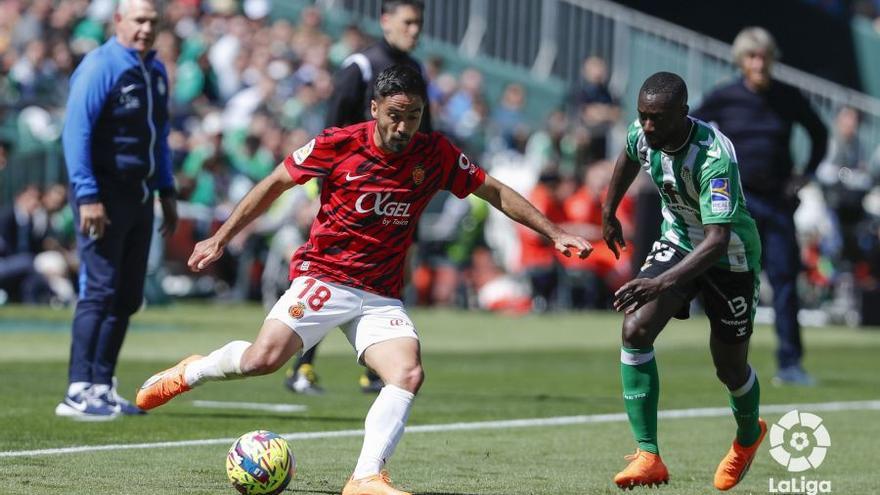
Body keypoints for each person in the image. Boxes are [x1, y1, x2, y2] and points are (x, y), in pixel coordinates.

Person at [135, 64, 591, 495]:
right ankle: (191, 371)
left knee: (408, 372)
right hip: (325, 277)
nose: (404, 127)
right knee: (262, 361)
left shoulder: (436, 154)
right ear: (375, 108)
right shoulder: (338, 143)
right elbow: (276, 182)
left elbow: (492, 189)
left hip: (380, 296)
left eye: (413, 117)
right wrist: (221, 236)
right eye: (395, 116)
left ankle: (366, 477)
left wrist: (553, 232)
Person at [602, 72, 765, 491]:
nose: (648, 126)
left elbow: (717, 240)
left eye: (657, 118)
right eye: (643, 116)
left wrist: (660, 285)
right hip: (677, 241)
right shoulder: (644, 132)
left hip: (729, 259)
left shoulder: (714, 156)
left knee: (728, 367)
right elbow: (627, 155)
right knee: (635, 328)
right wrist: (609, 211)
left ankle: (748, 437)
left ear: (683, 113)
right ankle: (648, 455)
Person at [288, 0, 429, 395]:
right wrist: (323, 186)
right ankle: (303, 367)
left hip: (397, 193)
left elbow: (425, 134)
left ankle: (375, 365)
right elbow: (331, 129)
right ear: (385, 21)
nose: (414, 30)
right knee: (332, 277)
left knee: (392, 271)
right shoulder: (360, 66)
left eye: (418, 23)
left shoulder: (414, 72)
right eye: (407, 22)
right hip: (352, 193)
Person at [56, 0, 178, 420]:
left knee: (127, 296)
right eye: (139, 20)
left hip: (141, 197)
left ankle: (102, 385)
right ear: (119, 21)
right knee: (100, 289)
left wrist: (167, 189)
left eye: (152, 21)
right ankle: (77, 388)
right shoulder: (100, 66)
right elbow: (76, 132)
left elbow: (159, 136)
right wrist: (87, 195)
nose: (146, 28)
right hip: (103, 197)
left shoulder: (155, 71)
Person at [693, 27, 828, 386]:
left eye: (764, 56)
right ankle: (731, 365)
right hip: (738, 203)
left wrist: (806, 174)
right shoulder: (724, 97)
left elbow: (819, 132)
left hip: (779, 203)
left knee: (784, 282)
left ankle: (790, 364)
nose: (759, 63)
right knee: (734, 282)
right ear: (741, 61)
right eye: (752, 57)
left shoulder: (787, 96)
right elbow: (693, 131)